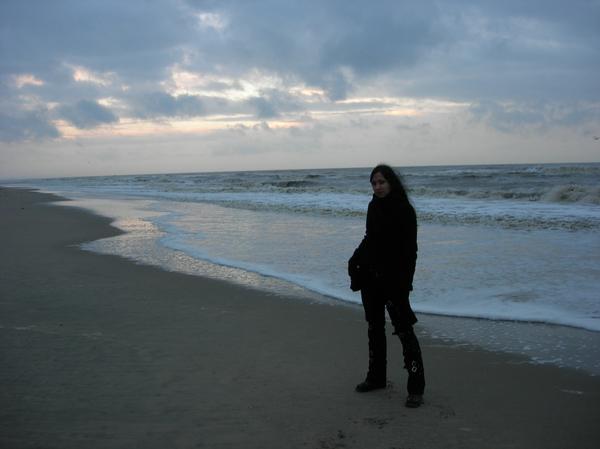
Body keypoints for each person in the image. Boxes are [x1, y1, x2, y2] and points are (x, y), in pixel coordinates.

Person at [348, 164, 425, 408]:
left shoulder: (405, 210)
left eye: (381, 182)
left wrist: (405, 284)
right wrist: (354, 258)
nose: (378, 187)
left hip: (394, 282)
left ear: (391, 182)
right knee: (374, 328)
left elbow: (410, 252)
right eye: (374, 183)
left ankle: (416, 388)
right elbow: (369, 238)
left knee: (404, 332)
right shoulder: (373, 206)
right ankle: (376, 377)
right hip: (370, 277)